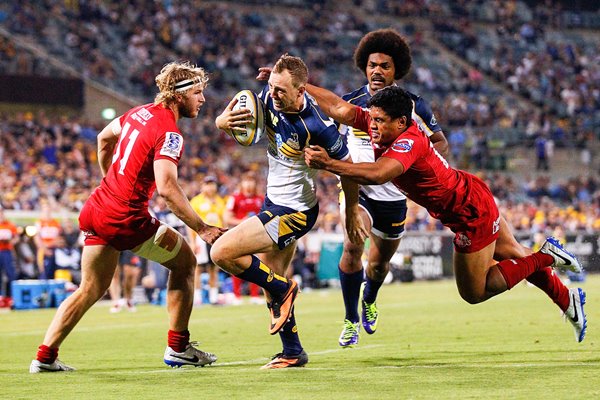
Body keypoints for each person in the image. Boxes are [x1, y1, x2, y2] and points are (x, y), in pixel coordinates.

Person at [303, 85, 587, 343]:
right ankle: (566, 300)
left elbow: (378, 174)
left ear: (401, 122)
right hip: (471, 193)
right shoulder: (383, 122)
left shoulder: (408, 141)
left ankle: (548, 255)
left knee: (475, 292)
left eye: (378, 121)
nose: (372, 126)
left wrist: (329, 163)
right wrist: (303, 87)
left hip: (468, 214)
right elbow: (339, 108)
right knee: (514, 252)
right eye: (372, 119)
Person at [30, 61, 227, 373]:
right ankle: (178, 347)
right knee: (186, 262)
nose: (203, 99)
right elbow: (167, 187)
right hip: (124, 217)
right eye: (198, 93)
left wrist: (110, 180)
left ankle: (44, 356)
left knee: (90, 288)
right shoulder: (170, 132)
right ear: (179, 96)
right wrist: (201, 227)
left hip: (97, 207)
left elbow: (103, 140)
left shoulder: (138, 112)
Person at [212, 54, 366, 369]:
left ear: (301, 91)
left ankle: (285, 289)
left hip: (295, 211)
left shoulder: (318, 127)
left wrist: (350, 213)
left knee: (221, 251)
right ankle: (292, 351)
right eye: (271, 86)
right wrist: (222, 123)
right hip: (273, 202)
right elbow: (235, 124)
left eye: (282, 90)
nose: (273, 94)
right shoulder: (267, 99)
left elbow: (349, 170)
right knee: (272, 281)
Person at [334, 28, 449, 347]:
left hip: (396, 198)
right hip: (360, 192)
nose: (377, 71)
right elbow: (333, 140)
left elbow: (440, 143)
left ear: (396, 69)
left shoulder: (414, 107)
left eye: (384, 65)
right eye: (372, 64)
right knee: (352, 246)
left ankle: (369, 297)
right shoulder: (351, 104)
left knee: (380, 263)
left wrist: (420, 164)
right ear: (363, 66)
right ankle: (350, 319)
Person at [222, 171, 265, 305]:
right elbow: (227, 218)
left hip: (256, 236)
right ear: (242, 183)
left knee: (258, 265)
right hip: (239, 235)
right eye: (246, 181)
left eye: (251, 181)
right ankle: (237, 295)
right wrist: (243, 221)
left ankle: (255, 295)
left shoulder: (261, 198)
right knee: (238, 264)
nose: (249, 184)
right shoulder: (235, 198)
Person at [189, 175, 226, 305]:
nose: (210, 187)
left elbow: (223, 220)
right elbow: (190, 223)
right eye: (207, 184)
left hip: (217, 238)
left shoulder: (220, 201)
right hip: (201, 239)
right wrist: (192, 241)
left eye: (212, 184)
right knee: (198, 268)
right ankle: (197, 298)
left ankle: (213, 298)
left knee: (213, 268)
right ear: (202, 186)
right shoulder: (196, 201)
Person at [33, 201, 62, 279]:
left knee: (55, 271)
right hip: (44, 250)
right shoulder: (39, 222)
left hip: (54, 249)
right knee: (44, 272)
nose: (47, 212)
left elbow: (59, 236)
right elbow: (37, 238)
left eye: (48, 210)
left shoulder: (56, 222)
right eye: (45, 210)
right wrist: (44, 249)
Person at [0, 207, 18, 304]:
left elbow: (16, 238)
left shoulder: (10, 225)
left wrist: (11, 242)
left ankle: (12, 296)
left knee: (10, 274)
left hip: (7, 251)